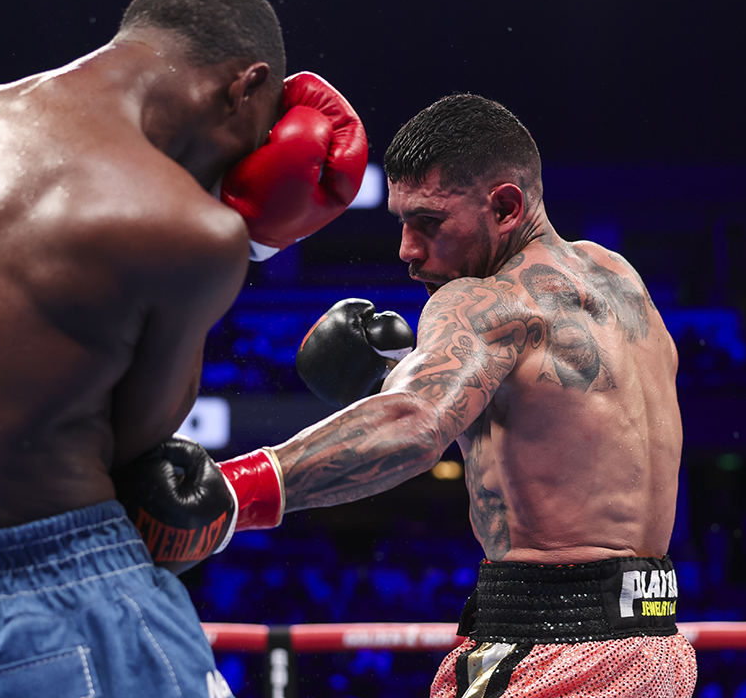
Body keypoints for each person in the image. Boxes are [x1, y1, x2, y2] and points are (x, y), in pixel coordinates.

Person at [0, 0, 367, 696]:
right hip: (59, 612)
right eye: (258, 137)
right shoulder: (185, 226)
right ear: (245, 87)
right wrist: (252, 239)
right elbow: (138, 456)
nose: (248, 161)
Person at [123, 94, 697, 697]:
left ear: (505, 206)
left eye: (428, 223)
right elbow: (559, 421)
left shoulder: (483, 300)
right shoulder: (619, 279)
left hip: (553, 650)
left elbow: (419, 422)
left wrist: (233, 492)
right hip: (653, 650)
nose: (406, 249)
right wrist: (400, 371)